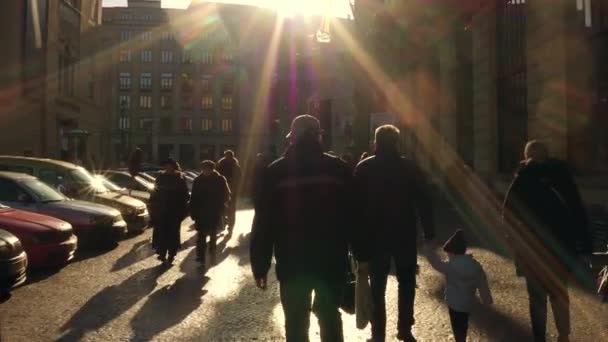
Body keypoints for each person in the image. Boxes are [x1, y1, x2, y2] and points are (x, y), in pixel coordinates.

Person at [251, 115, 370, 342]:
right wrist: (362, 255)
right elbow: (356, 216)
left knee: (295, 322)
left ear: (292, 139)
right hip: (331, 260)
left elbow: (264, 222)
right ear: (318, 137)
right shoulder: (338, 168)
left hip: (292, 261)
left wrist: (260, 264)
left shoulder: (276, 172)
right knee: (329, 317)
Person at [502, 140, 592, 342]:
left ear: (527, 157)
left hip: (531, 250)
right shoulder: (562, 177)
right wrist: (585, 247)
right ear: (547, 154)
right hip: (560, 249)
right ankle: (563, 335)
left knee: (536, 299)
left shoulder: (521, 180)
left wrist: (515, 244)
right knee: (559, 294)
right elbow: (578, 212)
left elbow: (506, 215)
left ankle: (539, 338)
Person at [354, 125, 435, 342]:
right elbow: (424, 202)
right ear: (397, 143)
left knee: (377, 286)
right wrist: (430, 235)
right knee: (407, 283)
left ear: (375, 142)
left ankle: (378, 333)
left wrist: (356, 245)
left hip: (374, 237)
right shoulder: (409, 167)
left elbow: (355, 208)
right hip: (404, 235)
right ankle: (405, 329)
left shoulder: (363, 168)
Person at [424, 230, 493, 342]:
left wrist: (428, 249)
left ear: (452, 252)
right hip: (467, 303)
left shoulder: (450, 266)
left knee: (457, 327)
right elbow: (482, 283)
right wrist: (487, 299)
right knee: (463, 325)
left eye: (448, 253)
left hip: (454, 304)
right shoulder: (475, 266)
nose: (447, 256)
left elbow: (436, 263)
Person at [189, 160, 231, 268]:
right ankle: (201, 256)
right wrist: (193, 211)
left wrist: (221, 205)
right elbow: (193, 197)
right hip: (201, 212)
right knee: (201, 236)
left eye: (208, 169)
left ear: (212, 169)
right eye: (204, 169)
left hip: (214, 211)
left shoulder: (220, 179)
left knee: (213, 234)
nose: (205, 171)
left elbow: (227, 195)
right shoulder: (198, 180)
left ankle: (212, 252)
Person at [149, 158, 189, 265]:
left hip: (174, 211)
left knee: (173, 233)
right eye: (166, 166)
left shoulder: (180, 178)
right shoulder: (161, 177)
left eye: (169, 166)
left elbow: (185, 195)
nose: (167, 168)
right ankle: (162, 253)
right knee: (161, 232)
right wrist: (153, 205)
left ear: (173, 167)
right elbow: (154, 192)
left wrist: (182, 210)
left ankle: (171, 253)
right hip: (161, 211)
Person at [217, 150, 241, 231]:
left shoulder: (221, 164)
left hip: (223, 190)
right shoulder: (236, 165)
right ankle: (229, 225)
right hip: (230, 190)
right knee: (230, 209)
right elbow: (238, 179)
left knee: (223, 208)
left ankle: (225, 224)